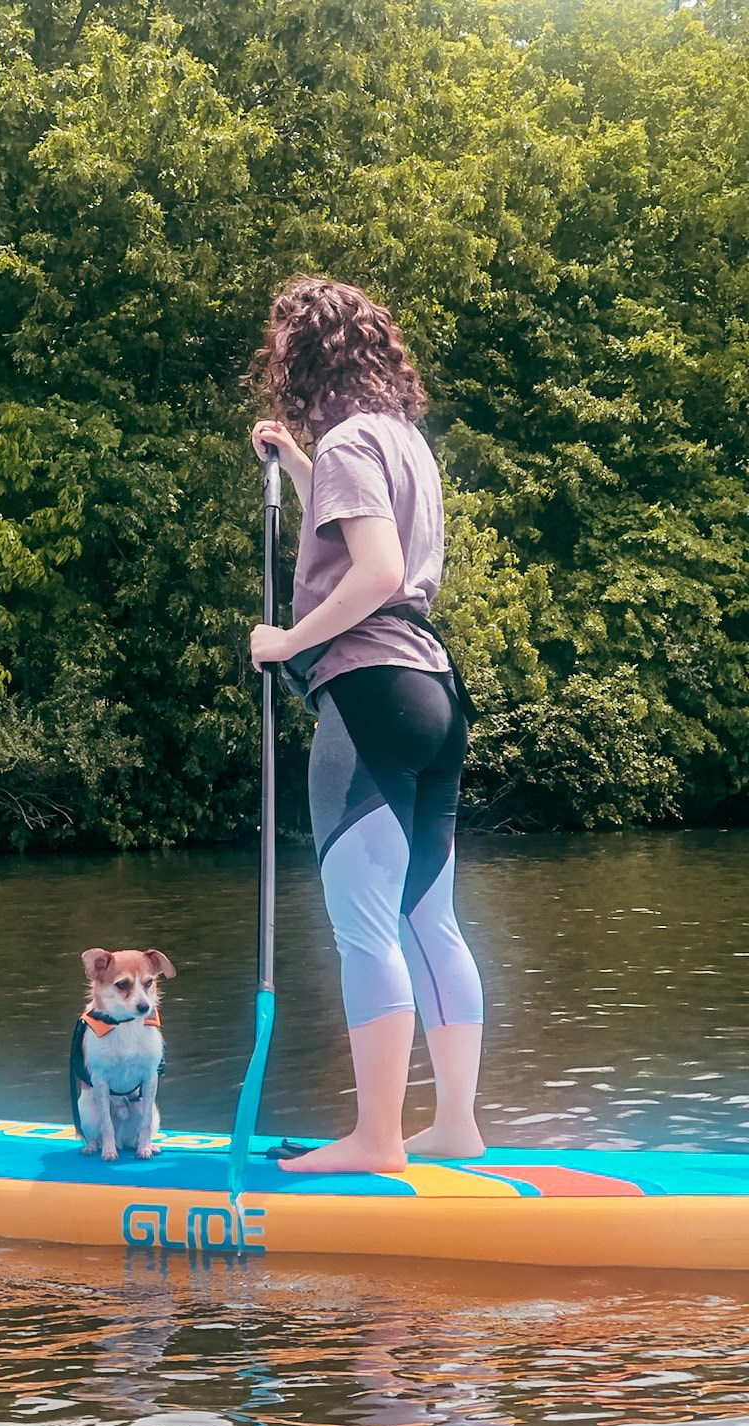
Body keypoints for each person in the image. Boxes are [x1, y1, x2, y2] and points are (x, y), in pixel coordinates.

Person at [248, 276, 485, 1174]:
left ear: (301, 360)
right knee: (431, 919)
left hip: (368, 691)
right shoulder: (402, 442)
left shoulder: (346, 440)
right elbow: (358, 529)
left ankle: (376, 1139)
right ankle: (454, 1123)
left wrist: (286, 643)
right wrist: (296, 464)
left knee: (364, 927)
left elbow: (375, 569)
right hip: (434, 694)